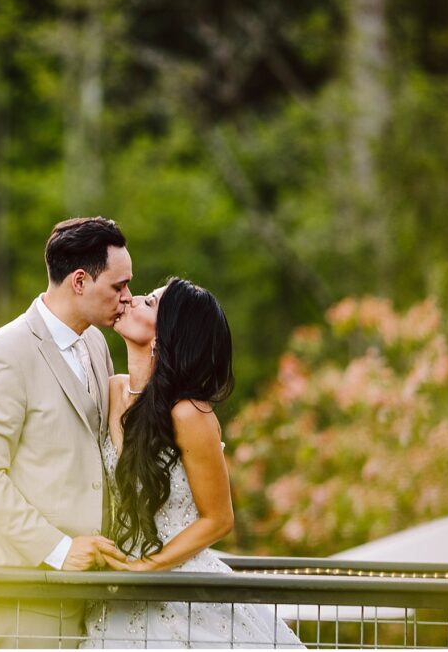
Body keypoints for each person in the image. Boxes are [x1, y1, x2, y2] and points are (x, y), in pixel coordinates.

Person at [82, 278, 305, 649]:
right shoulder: (110, 391)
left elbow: (219, 519)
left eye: (150, 303)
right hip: (116, 588)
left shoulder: (188, 414)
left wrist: (149, 567)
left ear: (167, 334)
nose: (133, 299)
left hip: (179, 585)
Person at [0, 217, 133, 648]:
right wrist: (58, 550)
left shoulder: (96, 344)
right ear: (79, 281)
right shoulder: (4, 353)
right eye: (118, 286)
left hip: (93, 591)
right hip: (25, 591)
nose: (128, 298)